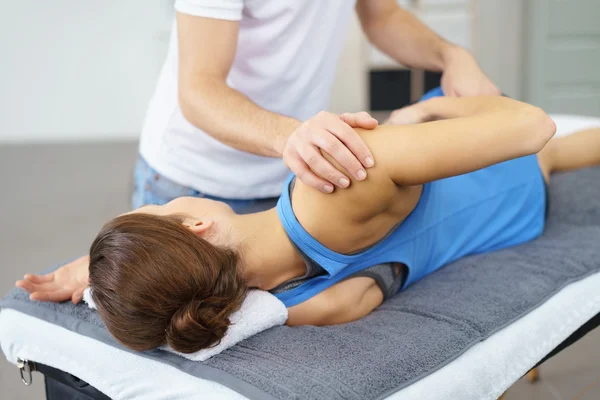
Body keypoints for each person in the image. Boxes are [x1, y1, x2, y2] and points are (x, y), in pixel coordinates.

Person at [20, 95, 600, 356]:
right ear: (195, 224)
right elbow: (531, 127)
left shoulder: (298, 296)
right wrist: (426, 115)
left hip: (510, 221)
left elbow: (350, 301)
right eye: (161, 208)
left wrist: (115, 281)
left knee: (553, 160)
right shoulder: (328, 188)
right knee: (549, 149)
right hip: (497, 179)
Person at [134, 0, 500, 213]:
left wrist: (451, 56)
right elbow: (200, 89)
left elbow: (383, 16)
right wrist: (294, 137)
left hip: (292, 177)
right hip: (194, 180)